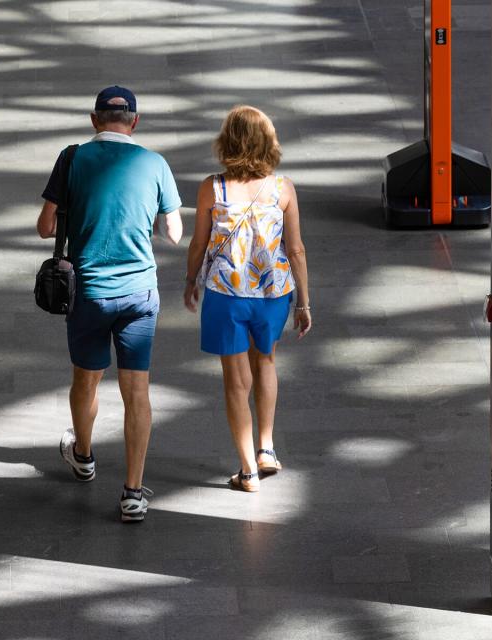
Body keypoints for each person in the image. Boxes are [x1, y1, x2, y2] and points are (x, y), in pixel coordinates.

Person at [37, 85, 183, 522]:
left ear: (94, 119)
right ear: (135, 122)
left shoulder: (73, 158)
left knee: (86, 379)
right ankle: (133, 493)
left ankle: (83, 457)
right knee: (136, 391)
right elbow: (173, 233)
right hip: (140, 294)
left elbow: (46, 227)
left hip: (90, 294)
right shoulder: (155, 163)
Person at [183, 105, 311, 493]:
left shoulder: (213, 187)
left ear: (228, 142)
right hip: (273, 294)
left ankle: (247, 470)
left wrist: (191, 280)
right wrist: (304, 302)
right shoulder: (282, 189)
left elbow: (199, 242)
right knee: (267, 362)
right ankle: (266, 448)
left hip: (227, 295)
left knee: (235, 380)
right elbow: (297, 250)